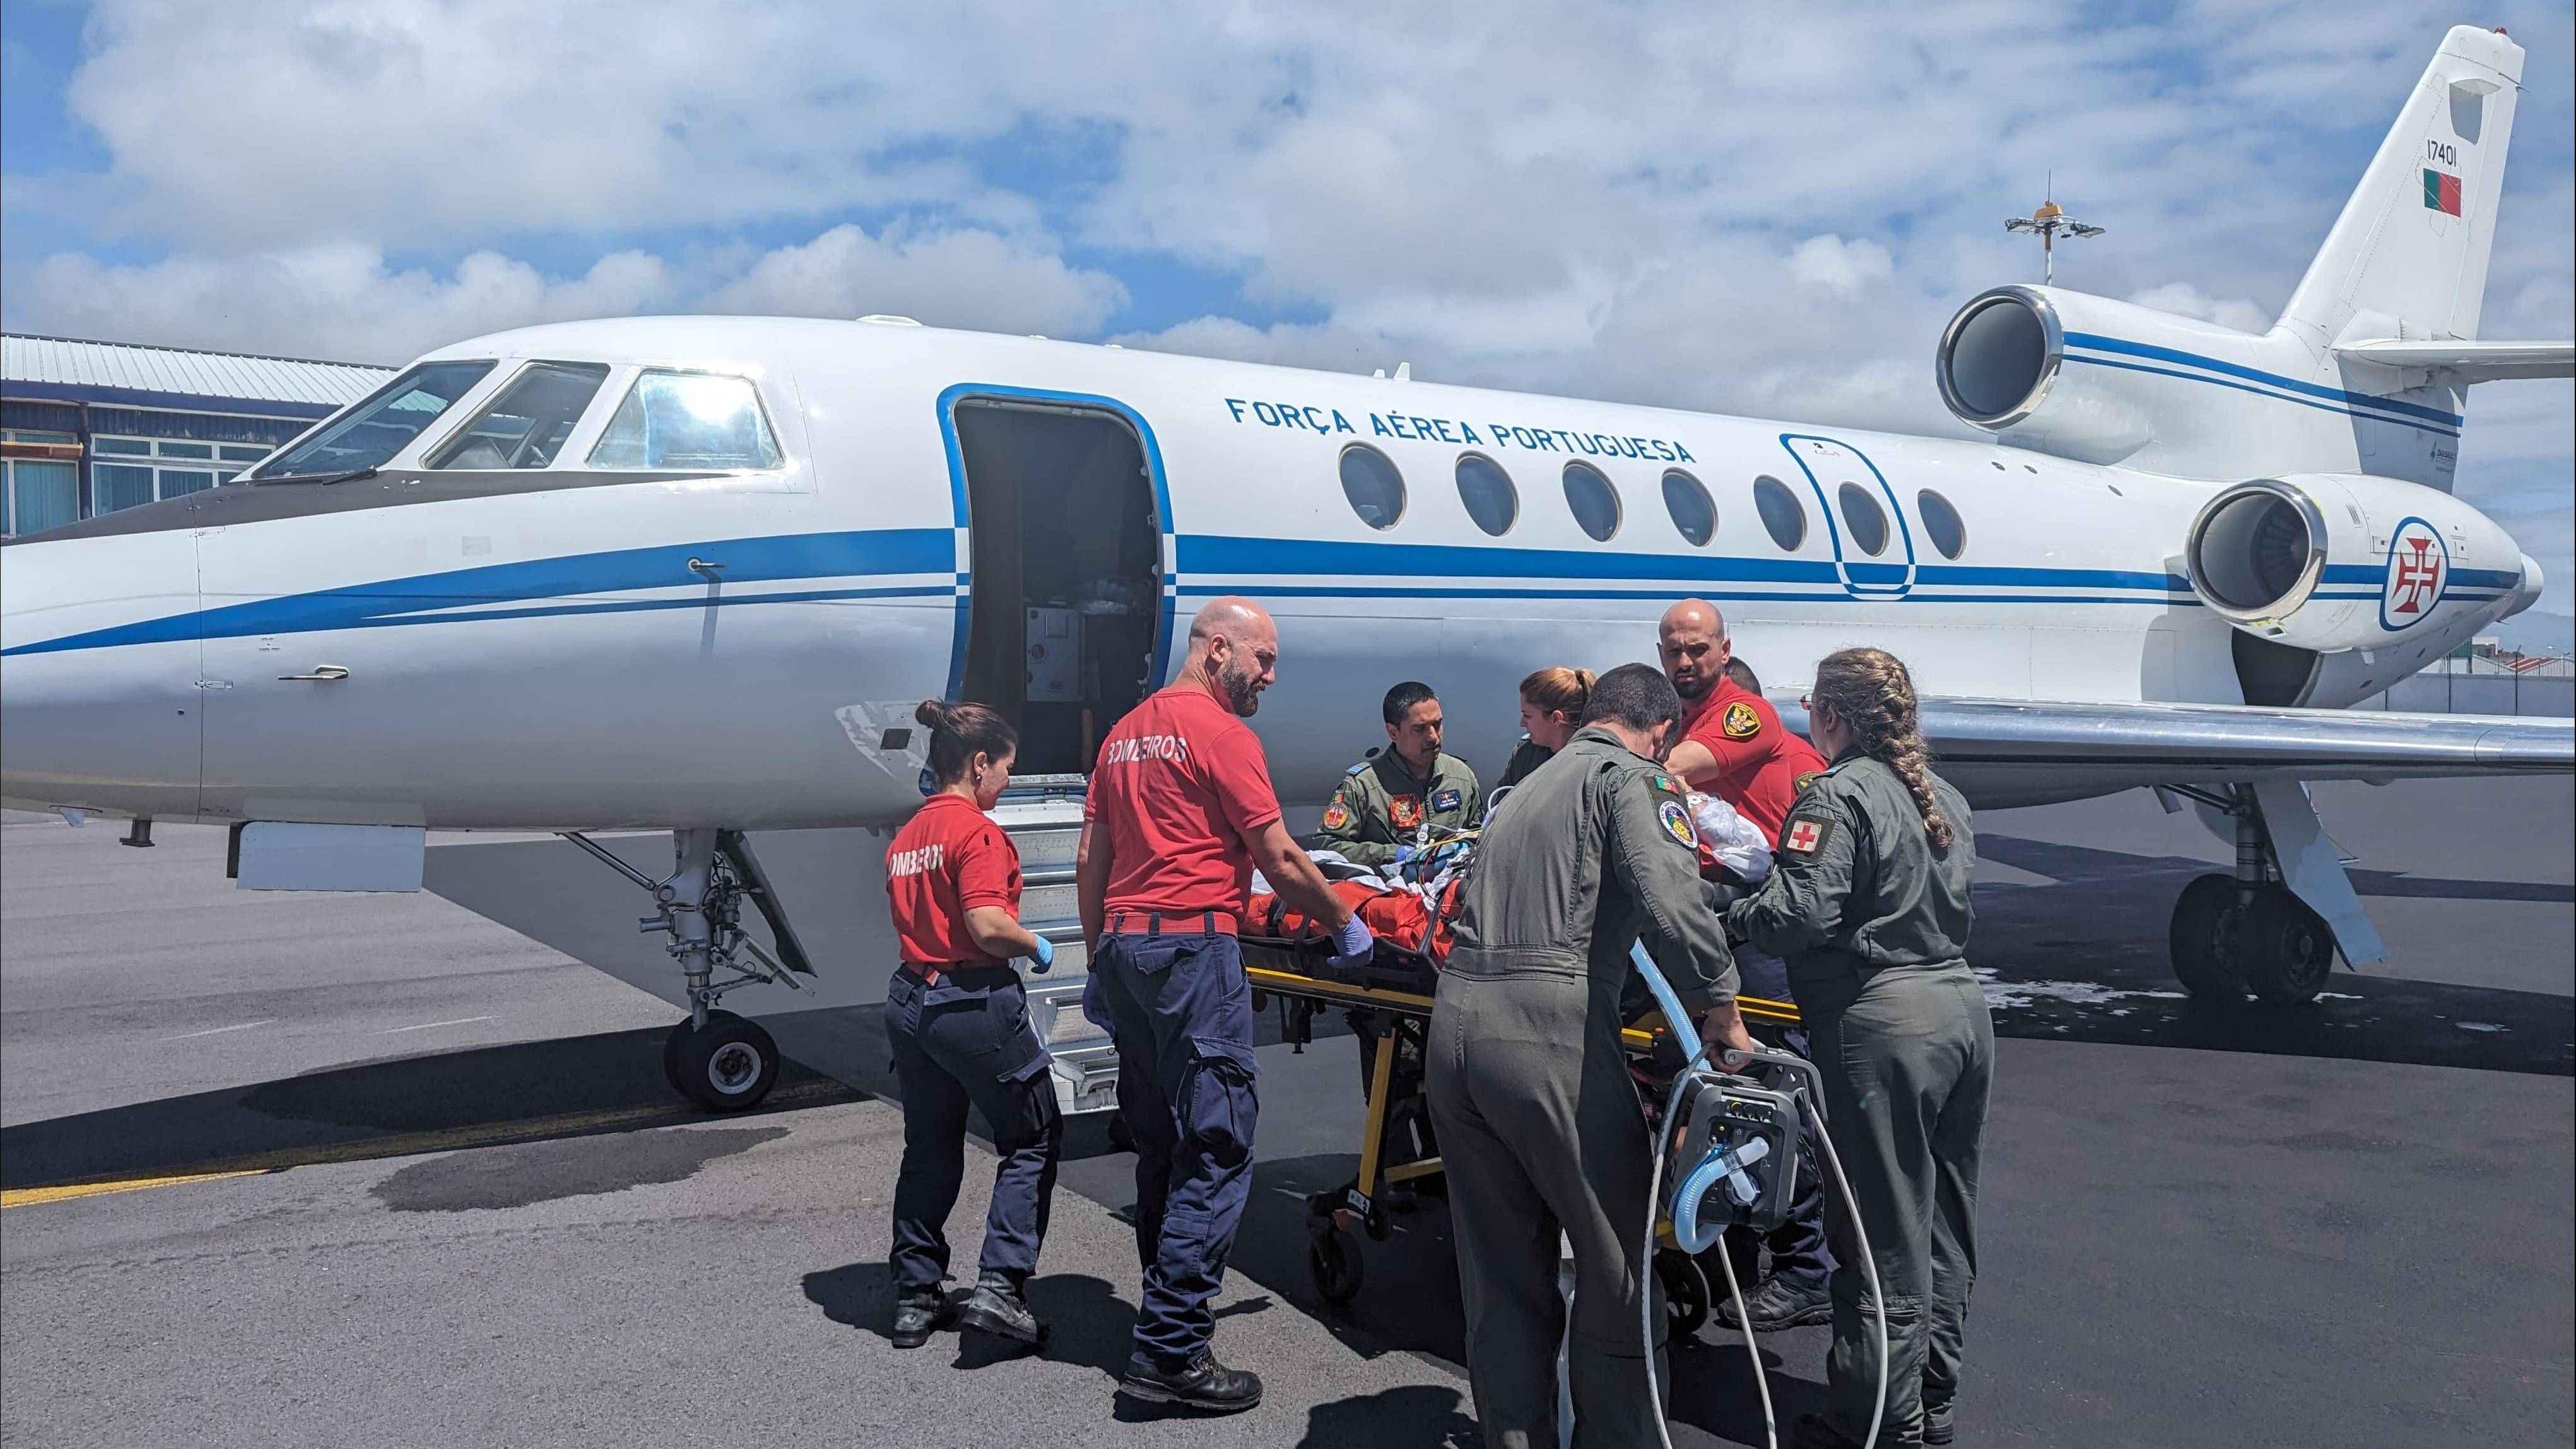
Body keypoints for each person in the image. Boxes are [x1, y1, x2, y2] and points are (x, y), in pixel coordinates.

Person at [1426, 663, 1759, 1448]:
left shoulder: (1527, 787)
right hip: (1549, 1030)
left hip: (1458, 1026)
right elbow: (1670, 895)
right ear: (1660, 731)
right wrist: (1724, 1009)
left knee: (1502, 1272)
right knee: (1618, 1260)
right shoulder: (1631, 777)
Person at [1076, 596, 1372, 1414]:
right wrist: (1342, 920)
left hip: (1129, 950)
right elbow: (1275, 852)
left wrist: (1099, 956)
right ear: (1215, 650)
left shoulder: (1123, 734)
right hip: (1191, 953)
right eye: (1262, 660)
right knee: (1216, 1143)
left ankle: (1169, 1317)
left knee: (1162, 1145)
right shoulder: (1222, 735)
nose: (1269, 678)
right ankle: (1169, 1350)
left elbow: (1089, 858)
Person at [1727, 648, 1991, 1449]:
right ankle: (1930, 1403)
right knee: (1943, 1224)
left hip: (1882, 1026)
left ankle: (1876, 1424)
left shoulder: (1835, 796)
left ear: (1832, 716)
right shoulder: (1942, 794)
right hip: (1959, 1014)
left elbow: (1799, 913)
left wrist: (1726, 911)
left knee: (1879, 1234)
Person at [1657, 599, 1837, 1333]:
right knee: (1711, 1085)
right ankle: (1729, 1242)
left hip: (1765, 926)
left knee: (1773, 1086)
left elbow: (1661, 777)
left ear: (1724, 651)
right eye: (1673, 650)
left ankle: (1806, 1268)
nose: (1684, 661)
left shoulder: (1743, 719)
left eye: (1697, 649)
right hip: (1723, 918)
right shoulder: (1688, 720)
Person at [881, 700, 1063, 1352]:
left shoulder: (909, 834)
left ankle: (916, 1293)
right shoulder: (977, 831)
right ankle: (1001, 1287)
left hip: (912, 1000)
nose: (1009, 781)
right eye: (1007, 768)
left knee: (930, 1146)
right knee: (1033, 1134)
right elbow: (986, 924)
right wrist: (1035, 943)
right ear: (979, 762)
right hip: (972, 999)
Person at [1313, 681, 1484, 866]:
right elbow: (1327, 846)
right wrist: (1394, 855)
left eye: (1438, 724)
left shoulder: (1460, 776)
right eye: (1420, 729)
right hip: (1390, 891)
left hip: (1450, 888)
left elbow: (1480, 835)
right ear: (1393, 732)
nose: (1433, 736)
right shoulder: (1364, 786)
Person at [1495, 666, 1592, 792]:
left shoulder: (1594, 766)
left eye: (1527, 715)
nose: (1522, 723)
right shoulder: (1525, 753)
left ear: (1556, 719)